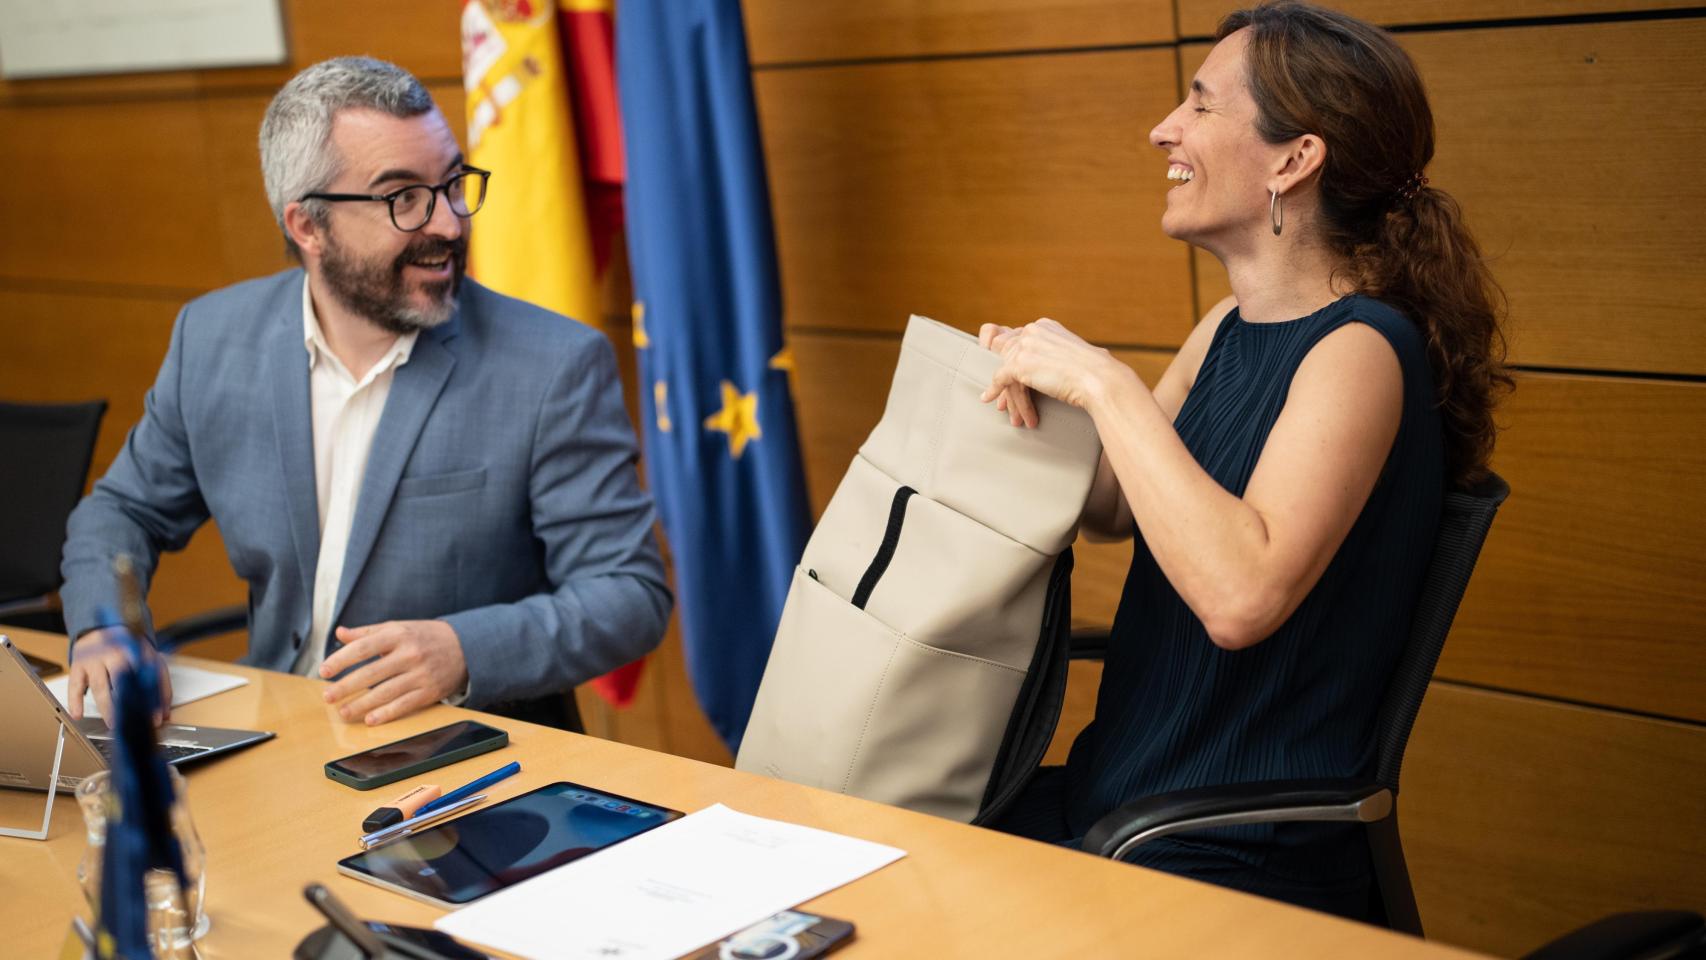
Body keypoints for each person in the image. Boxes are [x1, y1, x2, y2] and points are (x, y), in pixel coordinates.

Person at [978, 1, 1509, 920]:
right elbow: (1114, 509)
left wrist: (1106, 386)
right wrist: (1028, 398)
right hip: (1121, 806)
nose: (1163, 130)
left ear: (1295, 160)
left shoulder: (1362, 351)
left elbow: (1239, 597)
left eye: (1200, 104)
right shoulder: (1227, 326)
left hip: (1232, 848)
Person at [60, 56, 670, 730]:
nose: (448, 224)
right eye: (402, 197)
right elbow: (122, 512)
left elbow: (628, 595)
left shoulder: (551, 366)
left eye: (452, 184)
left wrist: (463, 649)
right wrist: (104, 627)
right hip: (274, 735)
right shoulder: (213, 339)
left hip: (466, 756)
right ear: (308, 227)